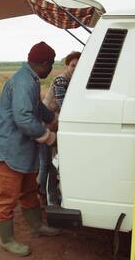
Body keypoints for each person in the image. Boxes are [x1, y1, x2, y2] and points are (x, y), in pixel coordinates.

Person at [0, 41, 61, 257]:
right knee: (6, 196)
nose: (51, 69)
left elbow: (36, 107)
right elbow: (24, 119)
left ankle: (36, 226)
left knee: (28, 190)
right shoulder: (24, 81)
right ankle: (6, 239)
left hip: (20, 149)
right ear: (44, 63)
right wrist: (49, 136)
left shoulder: (30, 79)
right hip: (6, 150)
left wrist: (54, 118)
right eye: (51, 64)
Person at [38, 51, 81, 206]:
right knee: (46, 163)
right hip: (44, 125)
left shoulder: (75, 82)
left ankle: (53, 193)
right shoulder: (61, 81)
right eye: (72, 65)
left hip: (57, 126)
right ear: (67, 65)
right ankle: (42, 194)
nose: (75, 69)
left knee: (56, 163)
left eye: (78, 65)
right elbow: (65, 107)